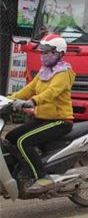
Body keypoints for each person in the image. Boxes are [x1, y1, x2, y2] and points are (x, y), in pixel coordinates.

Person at [7, 34, 75, 194]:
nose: (44, 56)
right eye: (43, 53)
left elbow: (52, 92)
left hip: (59, 121)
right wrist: (8, 99)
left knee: (24, 142)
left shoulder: (63, 73)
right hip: (42, 119)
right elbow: (28, 89)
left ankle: (42, 177)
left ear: (60, 53)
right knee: (11, 138)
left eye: (49, 52)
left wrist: (33, 101)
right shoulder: (44, 72)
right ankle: (23, 170)